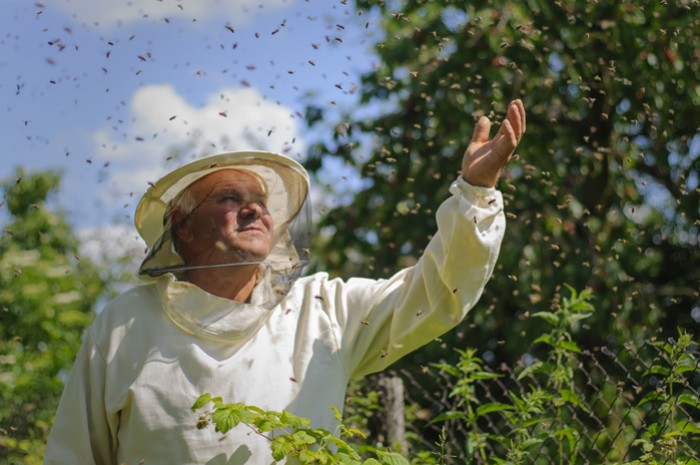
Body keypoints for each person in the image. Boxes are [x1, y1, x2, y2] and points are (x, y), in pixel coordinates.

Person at [44, 100, 526, 465]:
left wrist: (474, 194)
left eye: (260, 199)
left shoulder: (322, 309)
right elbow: (74, 453)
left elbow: (439, 291)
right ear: (182, 224)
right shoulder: (125, 325)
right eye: (230, 197)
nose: (255, 208)